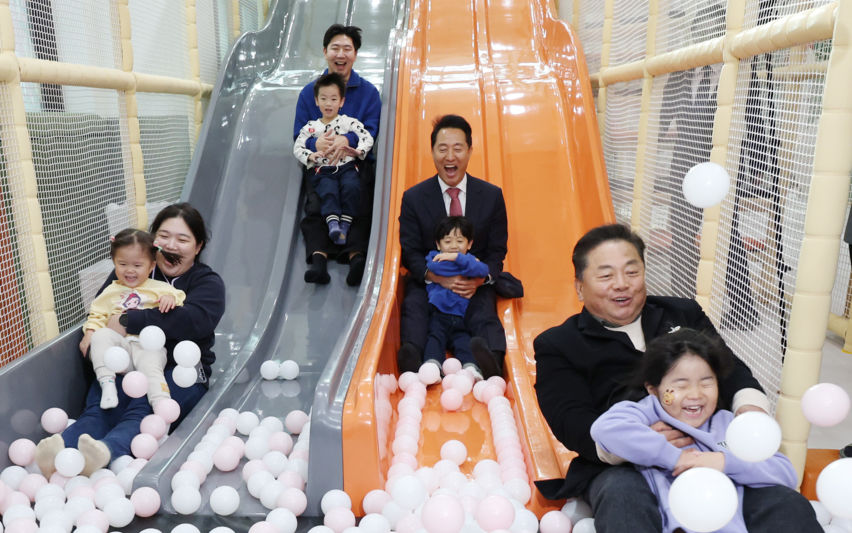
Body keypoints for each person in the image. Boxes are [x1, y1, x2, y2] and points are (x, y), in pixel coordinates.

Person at [534, 223, 818, 533]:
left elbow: (730, 369)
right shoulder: (559, 344)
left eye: (632, 272)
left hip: (710, 447)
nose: (622, 284)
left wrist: (749, 413)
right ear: (579, 287)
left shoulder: (683, 313)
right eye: (606, 276)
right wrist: (639, 443)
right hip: (624, 465)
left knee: (783, 503)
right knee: (624, 498)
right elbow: (571, 421)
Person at [35, 203, 225, 477]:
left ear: (198, 247)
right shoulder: (132, 271)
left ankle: (107, 451)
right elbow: (103, 309)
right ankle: (60, 449)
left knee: (142, 407)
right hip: (125, 361)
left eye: (182, 240)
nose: (171, 245)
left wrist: (129, 320)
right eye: (164, 236)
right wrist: (92, 333)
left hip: (180, 371)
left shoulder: (206, 282)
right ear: (153, 241)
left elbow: (194, 322)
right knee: (100, 408)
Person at [590, 328, 818, 533]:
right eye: (680, 385)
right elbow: (605, 428)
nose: (696, 394)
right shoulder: (647, 413)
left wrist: (724, 462)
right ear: (653, 389)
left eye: (707, 383)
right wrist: (675, 457)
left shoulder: (727, 424)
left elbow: (785, 472)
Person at [398, 115, 507, 378]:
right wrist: (436, 277)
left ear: (469, 150)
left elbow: (496, 251)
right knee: (415, 305)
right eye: (442, 149)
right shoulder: (413, 198)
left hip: (473, 281)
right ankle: (413, 357)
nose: (450, 157)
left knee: (484, 311)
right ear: (432, 151)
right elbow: (410, 251)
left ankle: (491, 360)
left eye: (458, 148)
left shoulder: (491, 196)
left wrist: (479, 281)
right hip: (432, 280)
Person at [294, 23, 382, 286]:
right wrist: (316, 143)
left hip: (353, 162)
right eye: (335, 48)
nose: (341, 54)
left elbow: (371, 129)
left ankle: (356, 258)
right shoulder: (310, 93)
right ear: (325, 51)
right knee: (316, 204)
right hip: (321, 164)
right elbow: (299, 133)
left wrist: (348, 139)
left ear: (355, 54)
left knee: (359, 199)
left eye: (347, 48)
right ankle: (319, 261)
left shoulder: (368, 93)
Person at [81, 228, 186, 410]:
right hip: (120, 351)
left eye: (137, 265)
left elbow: (180, 297)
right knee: (100, 336)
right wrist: (90, 333)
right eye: (122, 264)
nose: (129, 270)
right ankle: (107, 385)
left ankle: (161, 402)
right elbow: (97, 315)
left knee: (151, 366)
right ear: (114, 263)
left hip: (147, 348)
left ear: (151, 266)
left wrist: (170, 299)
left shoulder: (159, 288)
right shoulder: (110, 291)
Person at [404, 215, 489, 379]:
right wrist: (464, 263)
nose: (454, 246)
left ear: (469, 244)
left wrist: (458, 258)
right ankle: (432, 365)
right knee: (435, 337)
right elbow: (435, 268)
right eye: (448, 241)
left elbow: (484, 271)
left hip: (461, 316)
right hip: (438, 313)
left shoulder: (466, 259)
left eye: (460, 241)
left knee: (464, 341)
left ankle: (471, 368)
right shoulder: (435, 257)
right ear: (438, 244)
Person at [294, 72, 374, 245]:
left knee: (352, 187)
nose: (328, 103)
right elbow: (298, 147)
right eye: (323, 99)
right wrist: (310, 155)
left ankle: (345, 224)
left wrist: (358, 151)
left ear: (341, 102)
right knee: (328, 190)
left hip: (347, 167)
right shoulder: (311, 127)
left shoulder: (348, 122)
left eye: (333, 99)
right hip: (323, 169)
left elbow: (367, 137)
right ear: (316, 101)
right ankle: (333, 225)